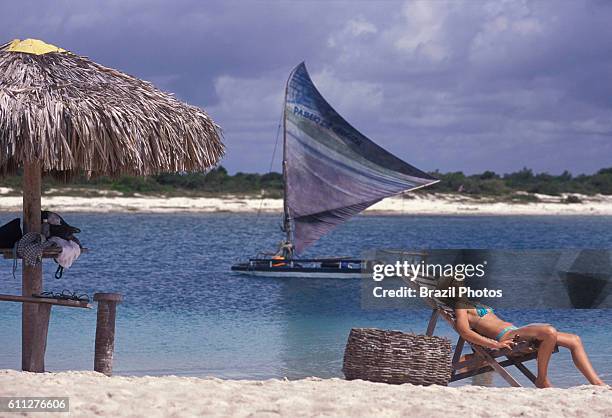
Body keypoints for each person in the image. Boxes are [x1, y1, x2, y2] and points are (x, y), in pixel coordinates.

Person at [454, 300, 606, 388]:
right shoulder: (459, 307)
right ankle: (542, 379)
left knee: (574, 339)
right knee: (549, 332)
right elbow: (465, 333)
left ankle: (597, 383)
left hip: (515, 331)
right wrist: (495, 345)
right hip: (507, 336)